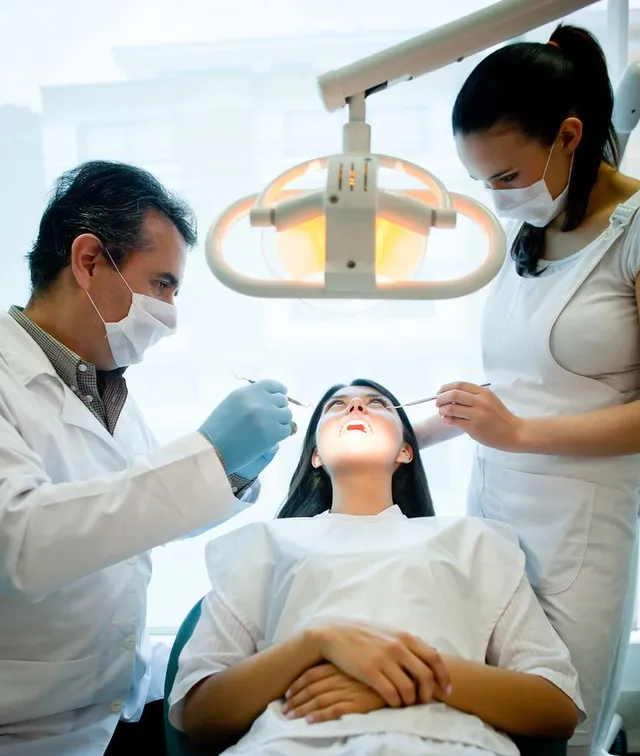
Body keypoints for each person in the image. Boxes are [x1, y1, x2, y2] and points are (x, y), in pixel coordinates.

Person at [0, 160, 295, 756]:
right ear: (88, 261)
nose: (170, 311)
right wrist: (207, 453)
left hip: (105, 709)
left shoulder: (103, 388)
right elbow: (21, 539)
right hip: (22, 723)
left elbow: (133, 520)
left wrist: (230, 470)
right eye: (162, 283)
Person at [413, 24, 640, 756]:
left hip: (585, 531)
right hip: (495, 514)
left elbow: (521, 416)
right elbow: (519, 387)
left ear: (569, 135)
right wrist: (409, 431)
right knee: (482, 724)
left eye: (506, 177)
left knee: (556, 727)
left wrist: (516, 432)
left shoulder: (633, 233)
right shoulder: (534, 236)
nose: (497, 197)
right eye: (481, 181)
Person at [168, 379, 584, 756]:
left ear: (406, 449)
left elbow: (556, 704)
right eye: (337, 406)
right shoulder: (260, 547)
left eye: (376, 403)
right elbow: (201, 717)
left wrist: (401, 682)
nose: (355, 409)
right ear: (315, 455)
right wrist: (316, 642)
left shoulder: (475, 543)